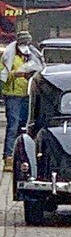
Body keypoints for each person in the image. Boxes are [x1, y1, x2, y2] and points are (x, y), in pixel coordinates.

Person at [0, 32, 41, 169]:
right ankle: (8, 157)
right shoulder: (8, 56)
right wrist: (15, 74)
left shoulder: (32, 54)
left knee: (24, 125)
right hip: (13, 95)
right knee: (13, 125)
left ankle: (21, 156)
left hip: (27, 95)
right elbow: (2, 74)